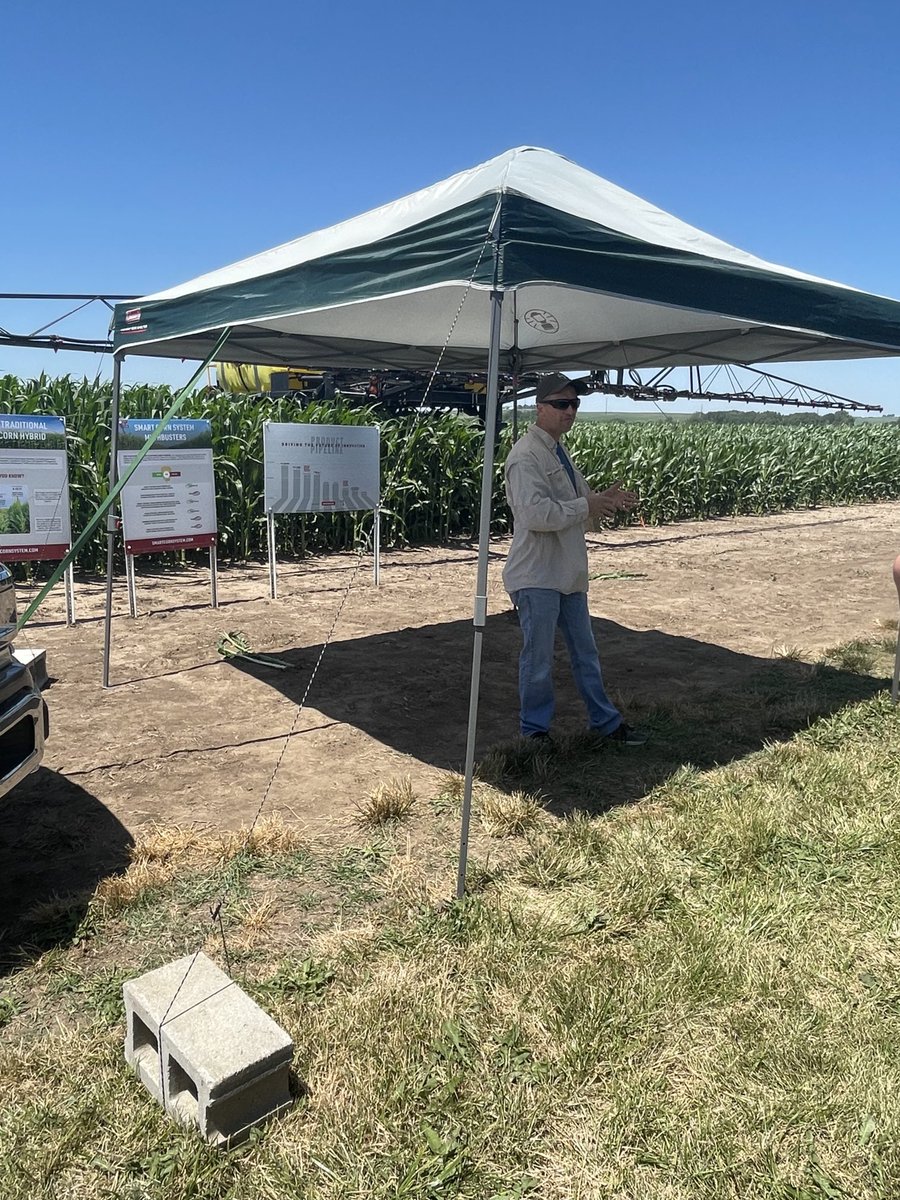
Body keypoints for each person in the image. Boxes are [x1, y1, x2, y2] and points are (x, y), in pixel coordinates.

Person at [502, 372, 646, 745]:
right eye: (561, 404)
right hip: (537, 575)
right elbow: (534, 514)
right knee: (538, 661)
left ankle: (606, 723)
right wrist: (588, 504)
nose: (570, 411)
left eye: (574, 404)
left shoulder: (557, 450)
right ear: (539, 408)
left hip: (566, 573)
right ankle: (534, 734)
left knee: (586, 653)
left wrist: (603, 502)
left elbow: (579, 503)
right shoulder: (525, 456)